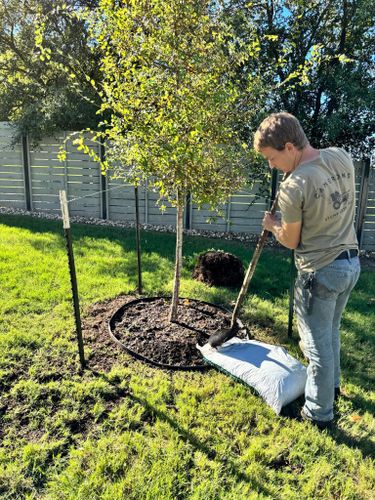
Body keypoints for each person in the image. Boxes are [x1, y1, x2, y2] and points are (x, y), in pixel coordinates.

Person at [254, 112, 361, 429]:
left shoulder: (294, 185)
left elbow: (290, 240)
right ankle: (333, 387)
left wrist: (273, 225)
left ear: (289, 147)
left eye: (272, 158)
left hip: (320, 274)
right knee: (330, 334)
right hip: (350, 264)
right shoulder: (340, 157)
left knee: (316, 349)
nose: (272, 166)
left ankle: (318, 413)